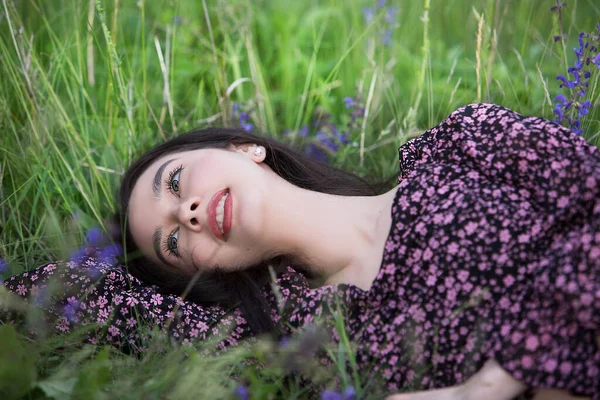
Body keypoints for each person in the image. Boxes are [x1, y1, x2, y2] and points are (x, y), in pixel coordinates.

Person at [86, 103, 600, 399]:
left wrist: (493, 384)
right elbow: (57, 298)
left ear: (243, 148)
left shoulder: (462, 145)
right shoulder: (307, 342)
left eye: (175, 182)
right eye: (173, 242)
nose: (188, 214)